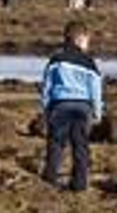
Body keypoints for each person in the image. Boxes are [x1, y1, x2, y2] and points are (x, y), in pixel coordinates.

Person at [39, 21, 104, 193]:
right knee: (80, 145)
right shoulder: (89, 62)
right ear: (80, 39)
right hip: (83, 106)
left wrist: (45, 109)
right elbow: (95, 89)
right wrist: (97, 111)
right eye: (87, 40)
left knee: (56, 143)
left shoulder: (56, 60)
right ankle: (79, 183)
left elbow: (47, 86)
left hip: (60, 105)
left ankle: (50, 177)